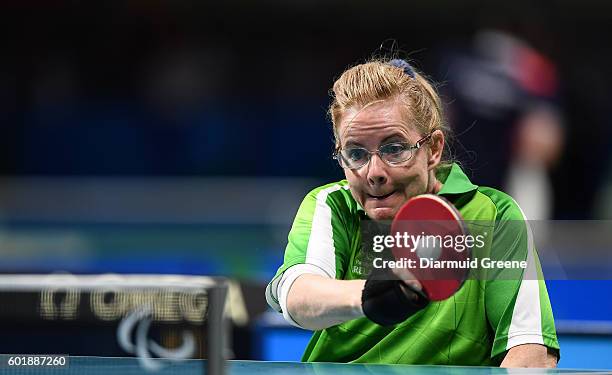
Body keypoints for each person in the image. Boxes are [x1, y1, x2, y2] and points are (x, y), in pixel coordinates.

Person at [265, 57, 559, 367]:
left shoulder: (493, 215)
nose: (374, 172)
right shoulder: (333, 205)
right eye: (355, 153)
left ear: (433, 149)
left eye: (394, 149)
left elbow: (530, 352)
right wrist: (372, 296)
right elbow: (297, 293)